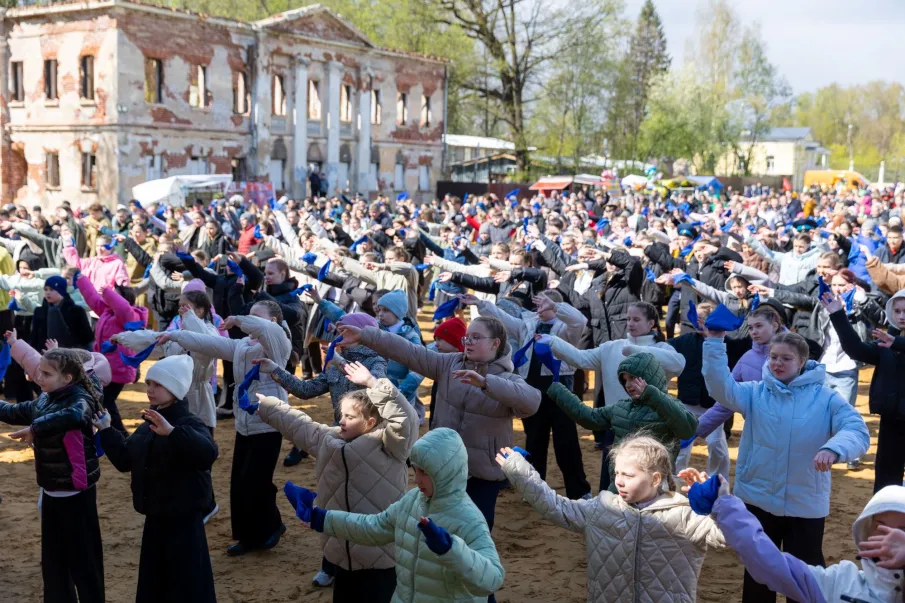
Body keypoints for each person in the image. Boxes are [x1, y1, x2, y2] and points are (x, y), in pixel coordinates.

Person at [701, 329, 870, 602]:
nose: (777, 363)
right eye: (773, 357)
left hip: (804, 503)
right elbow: (720, 387)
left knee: (806, 577)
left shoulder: (826, 398)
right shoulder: (754, 392)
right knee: (758, 576)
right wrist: (714, 342)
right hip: (757, 498)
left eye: (786, 358)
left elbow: (857, 430)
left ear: (801, 361)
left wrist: (834, 448)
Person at [336, 315, 540, 535]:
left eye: (476, 337)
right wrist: (366, 335)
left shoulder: (509, 379)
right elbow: (409, 352)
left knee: (475, 531)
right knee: (436, 528)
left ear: (495, 343)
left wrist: (485, 383)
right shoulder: (449, 363)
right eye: (467, 337)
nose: (468, 342)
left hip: (481, 472)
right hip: (442, 464)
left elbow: (532, 402)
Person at [256, 363, 417, 602]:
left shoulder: (391, 444)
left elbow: (406, 418)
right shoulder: (330, 440)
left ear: (370, 422)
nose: (341, 421)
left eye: (350, 417)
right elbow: (300, 426)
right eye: (342, 415)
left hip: (381, 556)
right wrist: (268, 407)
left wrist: (372, 383)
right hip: (341, 554)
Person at [285, 428, 505, 603]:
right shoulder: (412, 501)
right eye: (415, 470)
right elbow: (374, 527)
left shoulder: (469, 519)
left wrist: (451, 549)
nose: (417, 479)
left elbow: (492, 579)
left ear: (446, 473)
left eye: (425, 473)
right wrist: (320, 518)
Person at [499, 435, 725, 602]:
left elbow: (726, 537)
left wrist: (716, 504)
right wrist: (520, 471)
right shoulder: (602, 508)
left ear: (655, 479)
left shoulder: (684, 514)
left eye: (628, 475)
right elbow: (556, 507)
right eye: (617, 473)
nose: (619, 481)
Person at [160, 299, 291, 556]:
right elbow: (207, 343)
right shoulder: (243, 345)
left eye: (256, 316)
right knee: (241, 481)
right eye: (249, 314)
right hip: (244, 423)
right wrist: (175, 334)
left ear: (274, 320)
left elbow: (267, 330)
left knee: (257, 481)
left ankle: (267, 530)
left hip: (269, 422)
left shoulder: (278, 341)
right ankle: (250, 533)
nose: (249, 319)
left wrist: (239, 319)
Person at [94, 355, 218, 603]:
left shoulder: (190, 422)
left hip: (184, 521)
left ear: (175, 389)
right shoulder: (147, 424)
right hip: (155, 517)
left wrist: (172, 433)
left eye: (158, 384)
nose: (149, 389)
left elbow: (207, 454)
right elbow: (125, 460)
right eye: (149, 383)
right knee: (156, 583)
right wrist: (107, 430)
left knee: (188, 585)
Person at [540, 301, 686, 490]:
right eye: (628, 319)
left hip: (651, 429)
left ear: (651, 323)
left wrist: (638, 350)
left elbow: (678, 364)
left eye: (636, 319)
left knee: (649, 486)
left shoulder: (662, 348)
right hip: (616, 426)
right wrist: (553, 341)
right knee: (612, 484)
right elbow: (581, 358)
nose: (630, 323)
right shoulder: (612, 347)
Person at [0, 348, 105, 603]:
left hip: (77, 496)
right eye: (40, 372)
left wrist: (36, 428)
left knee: (85, 566)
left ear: (67, 378)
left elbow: (74, 415)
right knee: (54, 566)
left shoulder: (81, 397)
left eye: (47, 374)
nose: (39, 378)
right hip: (50, 492)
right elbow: (14, 412)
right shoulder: (45, 399)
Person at [470, 290, 591, 500]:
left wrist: (556, 306)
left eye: (544, 305)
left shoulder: (565, 329)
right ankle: (534, 490)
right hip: (532, 391)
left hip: (560, 391)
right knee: (535, 441)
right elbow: (503, 319)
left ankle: (579, 491)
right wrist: (481, 303)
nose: (539, 310)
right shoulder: (528, 325)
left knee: (566, 442)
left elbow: (579, 320)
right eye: (538, 305)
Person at [707, 477, 905, 603]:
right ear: (866, 532)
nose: (890, 537)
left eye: (902, 531)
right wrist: (725, 506)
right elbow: (770, 564)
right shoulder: (839, 582)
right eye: (881, 527)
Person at [825, 288, 905, 491]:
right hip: (892, 419)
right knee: (886, 480)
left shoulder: (891, 341)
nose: (901, 316)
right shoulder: (886, 341)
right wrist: (838, 315)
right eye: (897, 311)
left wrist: (897, 343)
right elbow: (856, 350)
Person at [75, 273, 148, 436]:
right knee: (102, 401)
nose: (110, 298)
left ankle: (120, 434)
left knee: (105, 402)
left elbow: (122, 307)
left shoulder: (129, 315)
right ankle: (113, 433)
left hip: (119, 368)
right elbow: (93, 299)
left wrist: (108, 292)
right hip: (105, 367)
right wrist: (82, 280)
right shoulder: (107, 312)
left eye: (116, 295)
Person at [669, 302, 730, 479]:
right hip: (687, 403)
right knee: (681, 448)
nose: (699, 322)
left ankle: (717, 482)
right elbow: (663, 347)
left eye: (703, 319)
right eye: (697, 319)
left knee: (717, 447)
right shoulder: (685, 341)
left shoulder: (725, 342)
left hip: (713, 406)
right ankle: (677, 480)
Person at [30, 275, 93, 352]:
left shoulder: (76, 311)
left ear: (61, 291)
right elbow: (34, 337)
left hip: (71, 353)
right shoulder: (39, 311)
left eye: (52, 289)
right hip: (44, 353)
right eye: (46, 289)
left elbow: (87, 338)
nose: (48, 293)